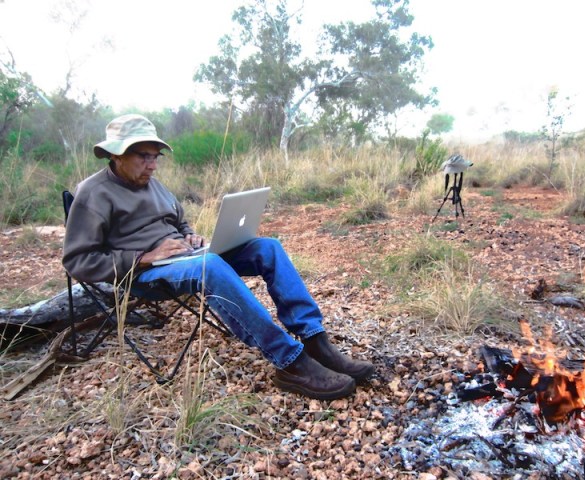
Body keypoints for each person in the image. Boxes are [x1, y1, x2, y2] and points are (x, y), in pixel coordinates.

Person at [62, 114, 374, 400]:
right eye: (143, 156)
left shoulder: (152, 185)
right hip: (145, 273)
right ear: (117, 154)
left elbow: (177, 221)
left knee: (268, 247)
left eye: (155, 157)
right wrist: (144, 256)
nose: (153, 165)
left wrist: (189, 235)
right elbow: (78, 262)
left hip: (185, 258)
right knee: (210, 266)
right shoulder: (93, 193)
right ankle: (290, 362)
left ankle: (314, 340)